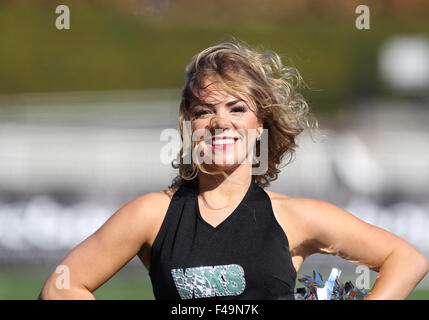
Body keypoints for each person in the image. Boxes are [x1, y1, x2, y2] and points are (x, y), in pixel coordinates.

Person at [39, 39, 429, 300]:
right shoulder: (152, 214)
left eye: (236, 108)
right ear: (189, 124)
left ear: (260, 123)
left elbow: (408, 260)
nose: (219, 122)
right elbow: (61, 286)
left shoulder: (294, 217)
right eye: (204, 111)